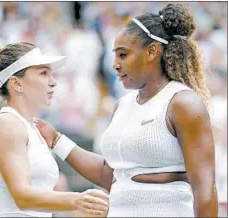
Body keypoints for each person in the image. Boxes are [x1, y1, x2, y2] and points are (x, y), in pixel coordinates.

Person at [35, 3, 218, 217]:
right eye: (115, 56)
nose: (115, 64)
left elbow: (205, 190)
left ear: (152, 51)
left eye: (123, 55)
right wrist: (56, 140)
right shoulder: (122, 105)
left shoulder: (183, 102)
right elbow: (108, 174)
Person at [0, 41, 109, 217]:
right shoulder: (6, 123)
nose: (53, 82)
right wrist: (78, 200)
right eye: (43, 73)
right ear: (16, 84)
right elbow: (22, 197)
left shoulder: (32, 128)